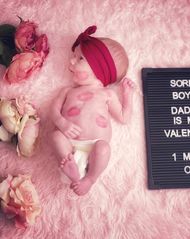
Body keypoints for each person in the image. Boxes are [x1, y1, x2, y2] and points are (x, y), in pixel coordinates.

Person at [51, 26, 135, 196]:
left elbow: (124, 117)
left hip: (95, 145)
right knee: (55, 136)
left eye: (79, 58)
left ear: (99, 69)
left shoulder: (107, 94)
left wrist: (127, 95)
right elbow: (53, 111)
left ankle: (90, 179)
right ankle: (69, 164)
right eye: (74, 57)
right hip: (70, 142)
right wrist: (62, 123)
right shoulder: (67, 91)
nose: (71, 62)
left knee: (104, 148)